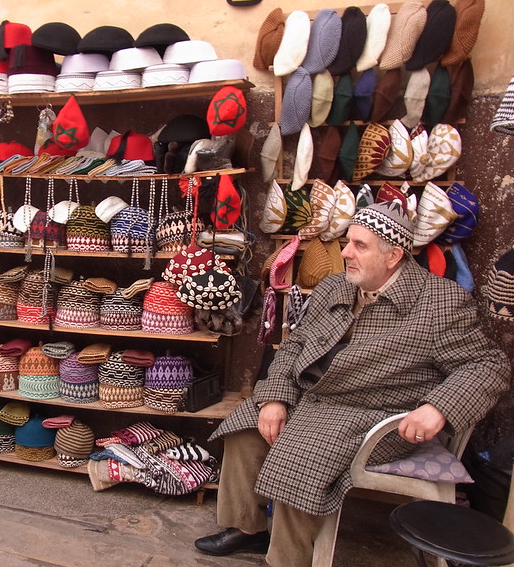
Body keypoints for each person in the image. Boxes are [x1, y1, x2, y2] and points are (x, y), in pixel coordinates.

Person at [194, 201, 510, 566]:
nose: (345, 253)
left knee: (303, 455)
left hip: (374, 414)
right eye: (347, 242)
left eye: (360, 245)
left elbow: (489, 364)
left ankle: (286, 559)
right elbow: (295, 344)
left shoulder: (439, 301)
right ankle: (248, 531)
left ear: (393, 256)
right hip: (311, 397)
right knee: (247, 428)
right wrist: (276, 398)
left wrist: (437, 408)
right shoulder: (334, 287)